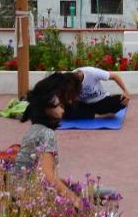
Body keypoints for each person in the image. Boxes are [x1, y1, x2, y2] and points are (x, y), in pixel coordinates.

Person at [10, 80, 84, 209]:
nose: (62, 108)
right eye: (58, 105)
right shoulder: (48, 134)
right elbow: (47, 175)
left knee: (79, 188)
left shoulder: (32, 131)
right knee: (94, 194)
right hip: (31, 198)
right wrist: (73, 198)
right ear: (46, 110)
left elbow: (34, 170)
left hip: (15, 192)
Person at [64, 66, 130, 119]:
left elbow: (115, 76)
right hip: (83, 104)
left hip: (99, 101)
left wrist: (126, 92)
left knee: (122, 100)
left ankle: (89, 114)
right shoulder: (70, 80)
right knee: (64, 110)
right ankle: (98, 116)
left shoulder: (92, 72)